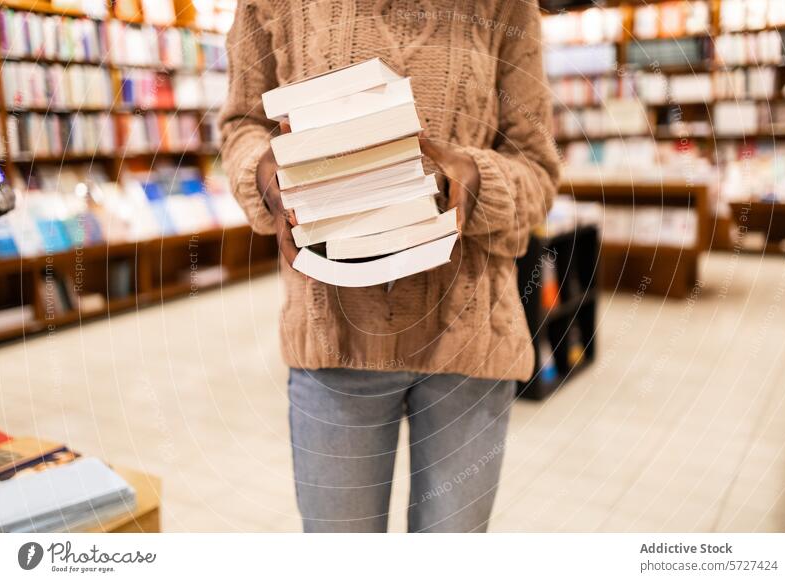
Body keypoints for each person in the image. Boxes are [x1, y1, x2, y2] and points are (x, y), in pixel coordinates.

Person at [219, 0, 560, 532]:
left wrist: (475, 177)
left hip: (467, 346)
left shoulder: (506, 7)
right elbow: (242, 124)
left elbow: (538, 170)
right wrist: (265, 178)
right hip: (334, 339)